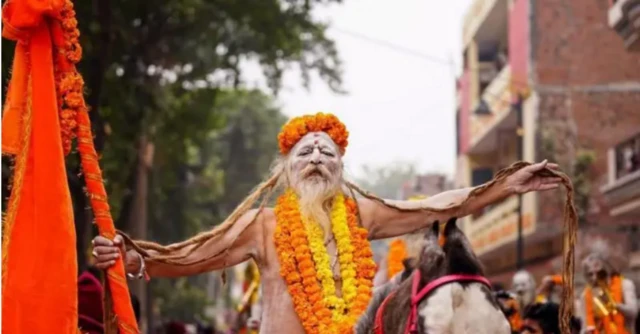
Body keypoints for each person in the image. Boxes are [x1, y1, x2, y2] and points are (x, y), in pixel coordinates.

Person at [92, 113, 563, 333]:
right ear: (285, 171)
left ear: (341, 168)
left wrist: (505, 185)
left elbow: (433, 207)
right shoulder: (264, 224)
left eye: (327, 152)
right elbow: (196, 256)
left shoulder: (362, 217)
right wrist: (131, 256)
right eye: (305, 152)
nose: (317, 157)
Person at [578, 240, 638, 334]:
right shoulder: (585, 296)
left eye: (598, 272)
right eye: (590, 274)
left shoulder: (625, 285)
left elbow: (633, 312)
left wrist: (614, 305)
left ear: (606, 269)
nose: (595, 277)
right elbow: (585, 326)